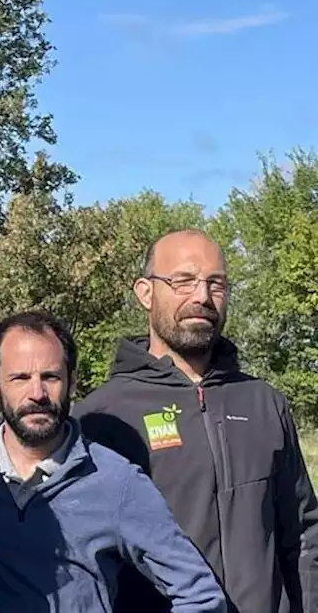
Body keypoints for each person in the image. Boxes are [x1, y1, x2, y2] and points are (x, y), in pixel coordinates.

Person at [76, 229, 318, 613]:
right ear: (145, 292)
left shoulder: (264, 402)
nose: (202, 297)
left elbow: (303, 535)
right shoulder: (101, 417)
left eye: (216, 284)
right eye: (183, 281)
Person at [0, 311, 227, 612]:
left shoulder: (116, 482)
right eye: (20, 378)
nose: (37, 394)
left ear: (71, 381)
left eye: (51, 376)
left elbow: (200, 596)